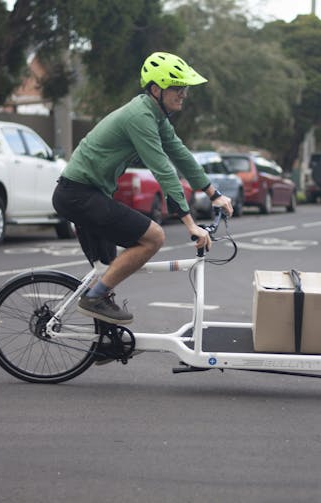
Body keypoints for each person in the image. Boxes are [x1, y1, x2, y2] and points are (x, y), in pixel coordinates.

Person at [52, 51, 234, 325]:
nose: (183, 93)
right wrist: (190, 223)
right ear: (156, 89)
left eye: (184, 88)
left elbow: (181, 155)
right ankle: (93, 298)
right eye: (177, 87)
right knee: (153, 238)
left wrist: (214, 195)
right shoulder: (139, 117)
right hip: (78, 195)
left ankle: (103, 340)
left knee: (108, 273)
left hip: (89, 194)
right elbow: (162, 168)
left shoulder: (157, 116)